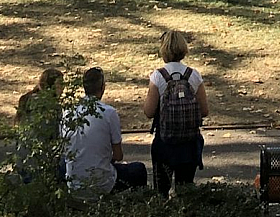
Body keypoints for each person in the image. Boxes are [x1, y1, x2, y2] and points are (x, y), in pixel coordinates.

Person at [63, 66, 147, 196]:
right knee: (138, 170)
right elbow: (118, 155)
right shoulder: (109, 113)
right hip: (102, 183)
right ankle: (137, 203)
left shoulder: (68, 112)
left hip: (74, 184)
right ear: (103, 87)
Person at [142, 29, 207, 195]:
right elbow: (204, 111)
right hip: (189, 144)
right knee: (186, 190)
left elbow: (149, 112)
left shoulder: (158, 76)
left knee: (161, 190)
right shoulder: (194, 75)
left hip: (165, 143)